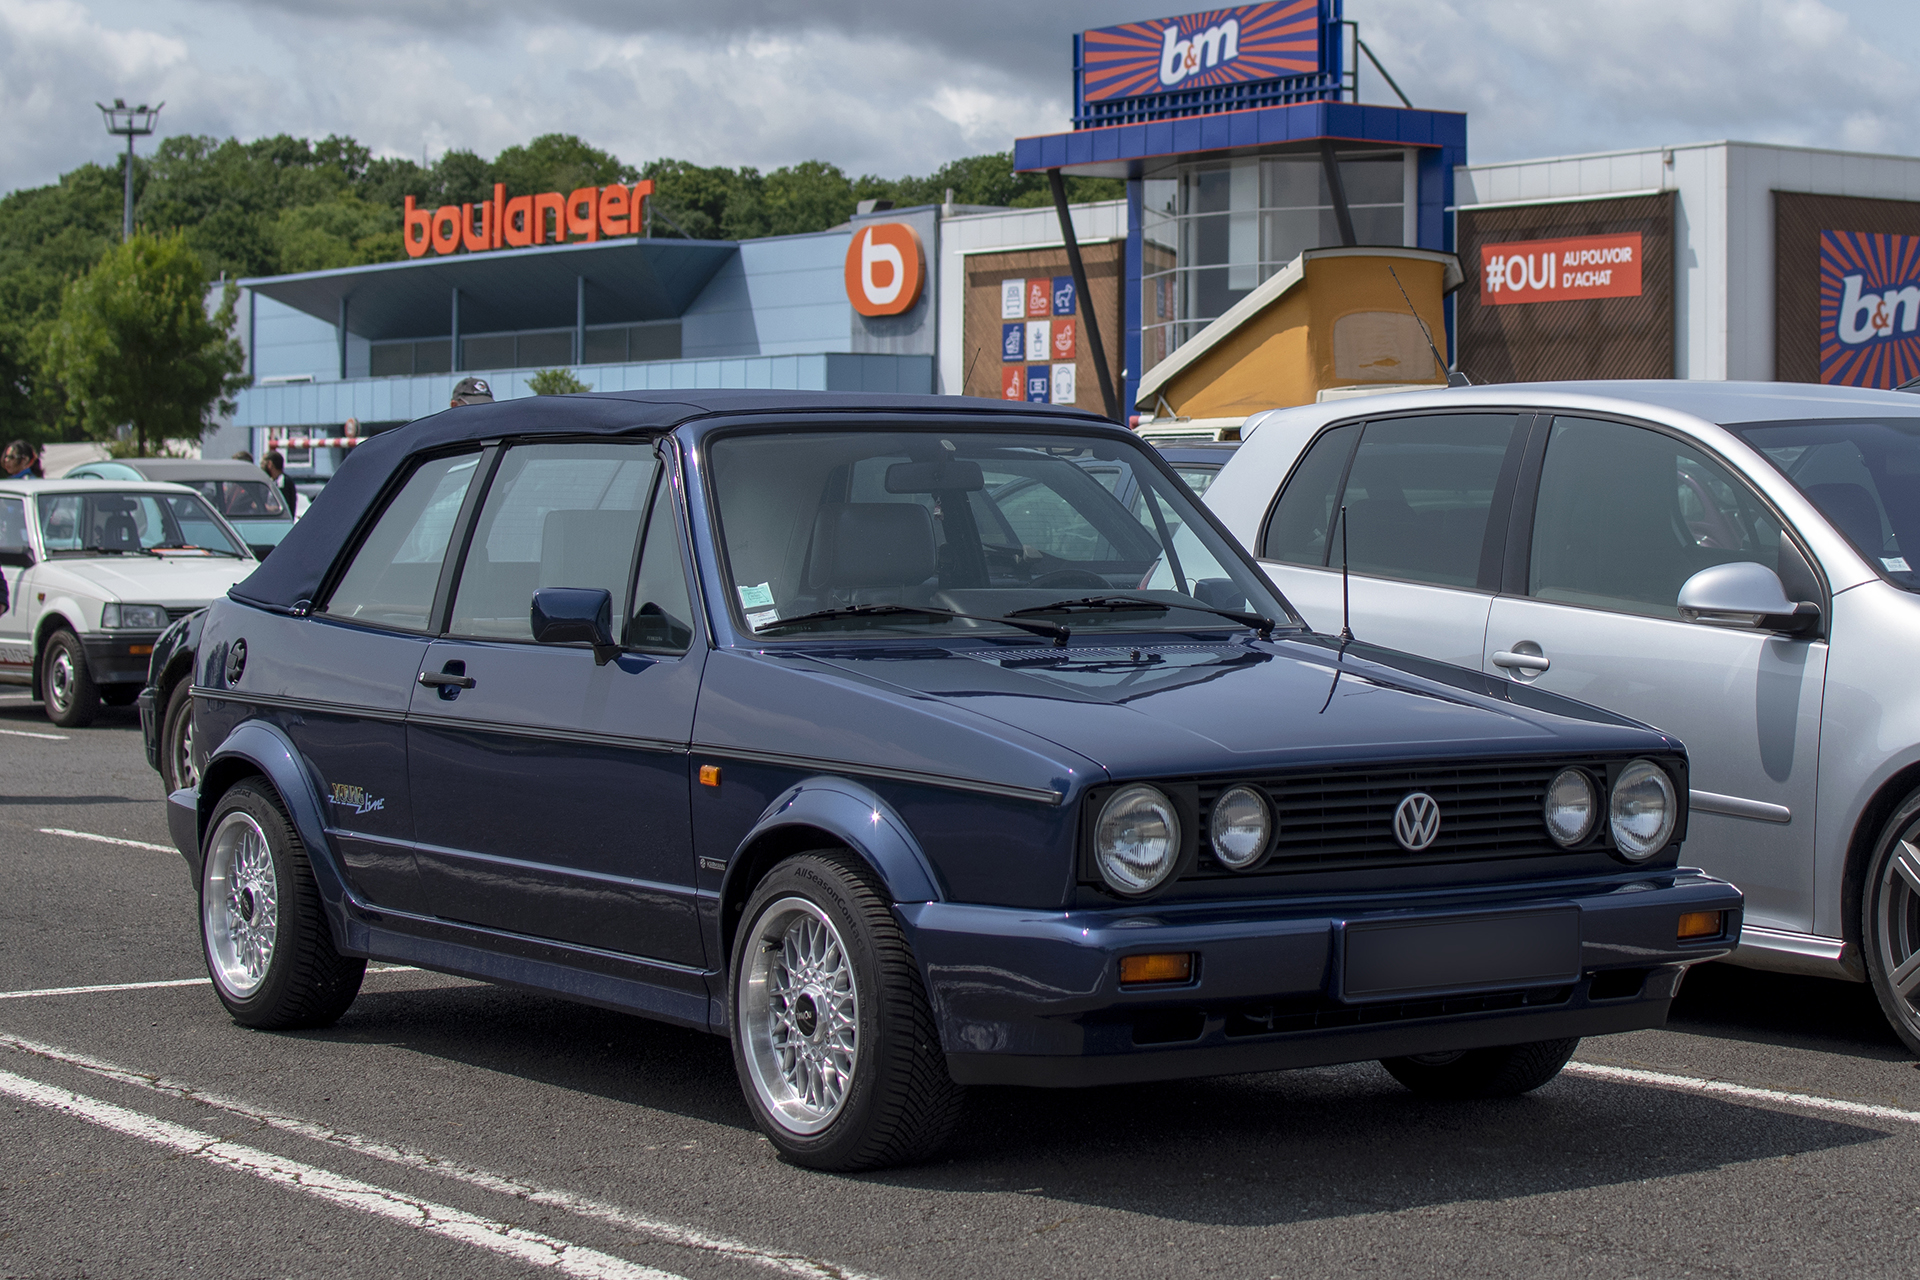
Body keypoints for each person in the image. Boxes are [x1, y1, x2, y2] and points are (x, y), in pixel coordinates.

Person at [261, 450, 298, 517]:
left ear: (270, 464)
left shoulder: (283, 481)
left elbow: (284, 506)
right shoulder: (269, 482)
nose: (261, 466)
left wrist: (266, 508)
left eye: (263, 463)